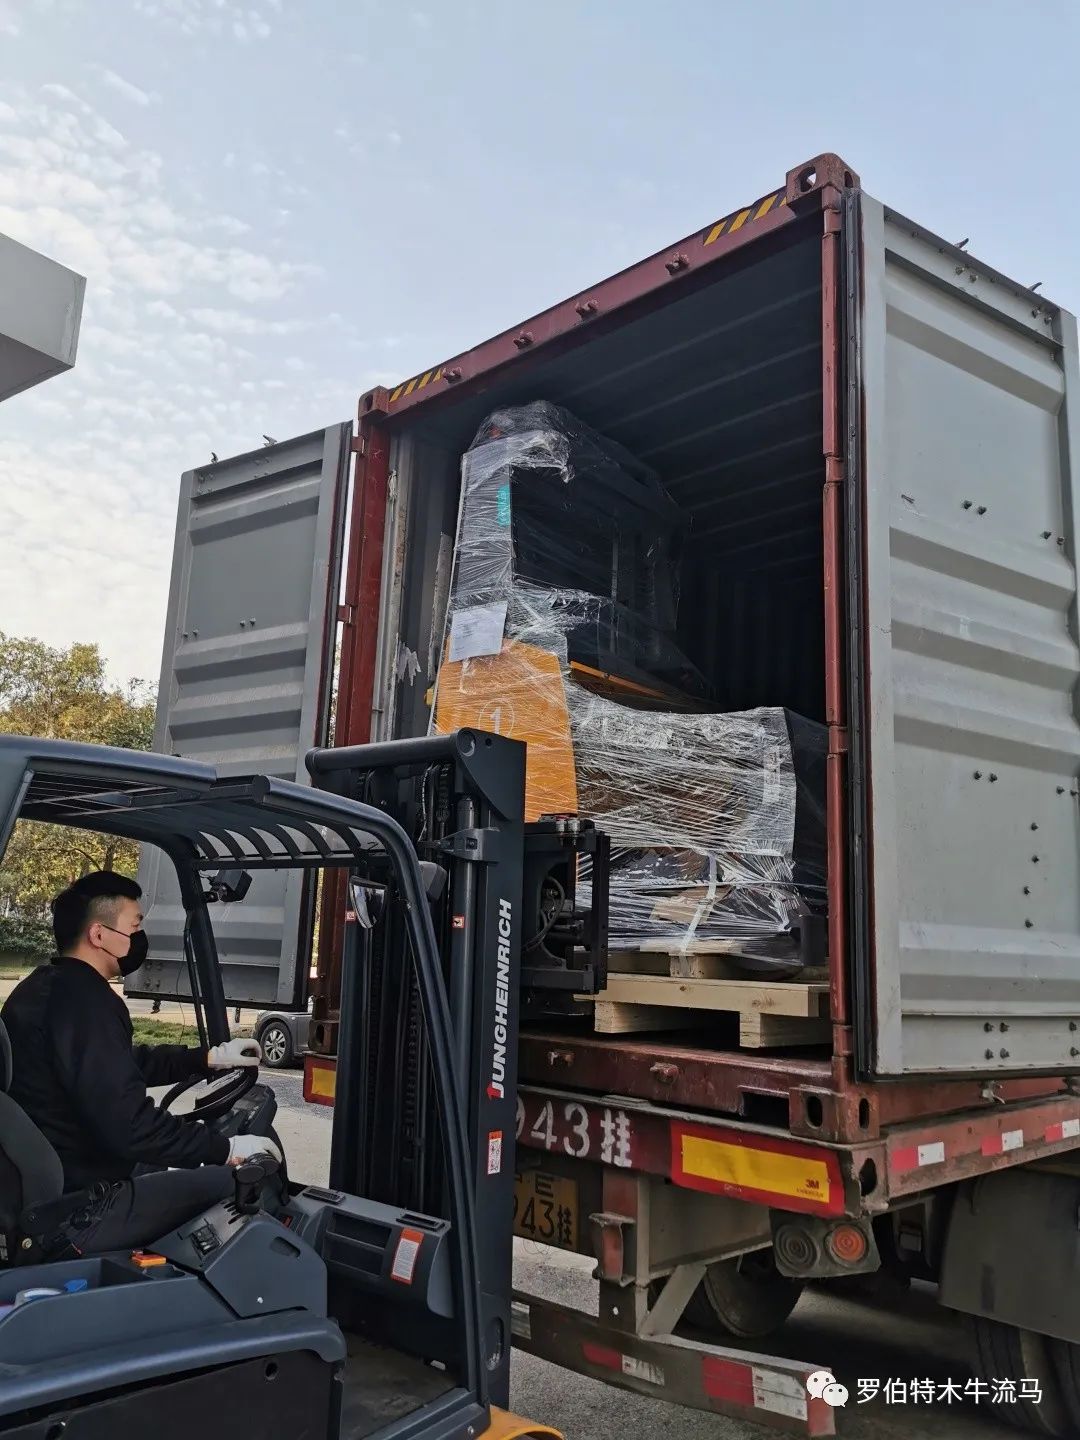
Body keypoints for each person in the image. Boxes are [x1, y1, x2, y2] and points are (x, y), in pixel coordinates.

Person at [1, 871, 281, 1255]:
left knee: (162, 1165)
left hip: (53, 1179)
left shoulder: (41, 987)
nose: (139, 938)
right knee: (236, 1181)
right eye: (134, 927)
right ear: (99, 935)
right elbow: (130, 1126)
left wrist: (204, 1059)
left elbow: (114, 1064)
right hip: (80, 1209)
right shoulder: (89, 1003)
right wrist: (225, 1148)